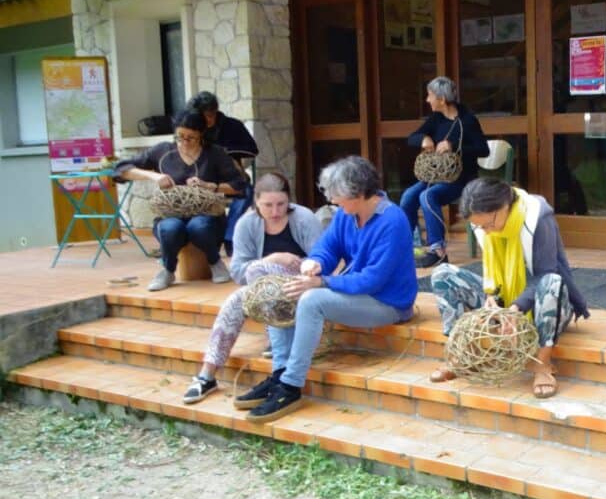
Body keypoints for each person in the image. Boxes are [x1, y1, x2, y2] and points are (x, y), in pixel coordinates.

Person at [237, 156, 418, 423]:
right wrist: (315, 262)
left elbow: (372, 279)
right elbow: (329, 246)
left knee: (311, 300)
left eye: (336, 195)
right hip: (357, 294)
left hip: (388, 303)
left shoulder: (393, 220)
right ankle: (280, 373)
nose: (332, 200)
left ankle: (290, 386)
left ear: (357, 193)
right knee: (286, 291)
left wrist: (323, 282)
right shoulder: (348, 214)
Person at [429, 177, 589, 399]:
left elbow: (545, 272)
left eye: (488, 224)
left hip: (543, 306)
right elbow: (491, 269)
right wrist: (490, 295)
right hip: (505, 301)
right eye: (479, 226)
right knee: (443, 274)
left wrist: (515, 309)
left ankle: (542, 364)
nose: (485, 231)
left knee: (551, 280)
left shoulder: (536, 217)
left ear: (505, 205)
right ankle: (459, 355)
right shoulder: (482, 224)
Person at [182, 172, 324, 404]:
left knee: (257, 272)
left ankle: (279, 367)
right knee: (236, 299)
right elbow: (239, 272)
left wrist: (300, 266)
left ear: (289, 200)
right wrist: (275, 258)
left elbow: (321, 258)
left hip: (302, 284)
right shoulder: (246, 223)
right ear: (256, 202)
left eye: (281, 204)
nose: (275, 211)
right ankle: (206, 374)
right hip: (262, 288)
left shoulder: (304, 218)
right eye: (268, 205)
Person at [115, 109, 249, 292]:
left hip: (207, 215)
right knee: (170, 228)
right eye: (180, 136)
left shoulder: (214, 154)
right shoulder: (163, 151)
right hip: (172, 214)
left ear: (201, 135)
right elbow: (121, 169)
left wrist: (210, 186)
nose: (184, 142)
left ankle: (214, 261)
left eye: (191, 138)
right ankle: (167, 270)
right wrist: (153, 176)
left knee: (199, 226)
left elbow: (239, 185)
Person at [401, 76, 489, 268]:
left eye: (430, 96)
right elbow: (412, 138)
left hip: (461, 179)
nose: (427, 100)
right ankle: (405, 247)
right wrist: (423, 139)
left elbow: (483, 150)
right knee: (408, 196)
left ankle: (438, 251)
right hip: (436, 176)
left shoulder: (468, 121)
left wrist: (454, 145)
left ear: (441, 99)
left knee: (427, 196)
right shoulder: (436, 120)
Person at [188, 91, 259, 257]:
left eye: (210, 115)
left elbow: (252, 150)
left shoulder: (232, 125)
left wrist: (225, 153)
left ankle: (229, 237)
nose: (208, 120)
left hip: (230, 178)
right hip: (201, 179)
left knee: (247, 192)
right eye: (203, 117)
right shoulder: (191, 129)